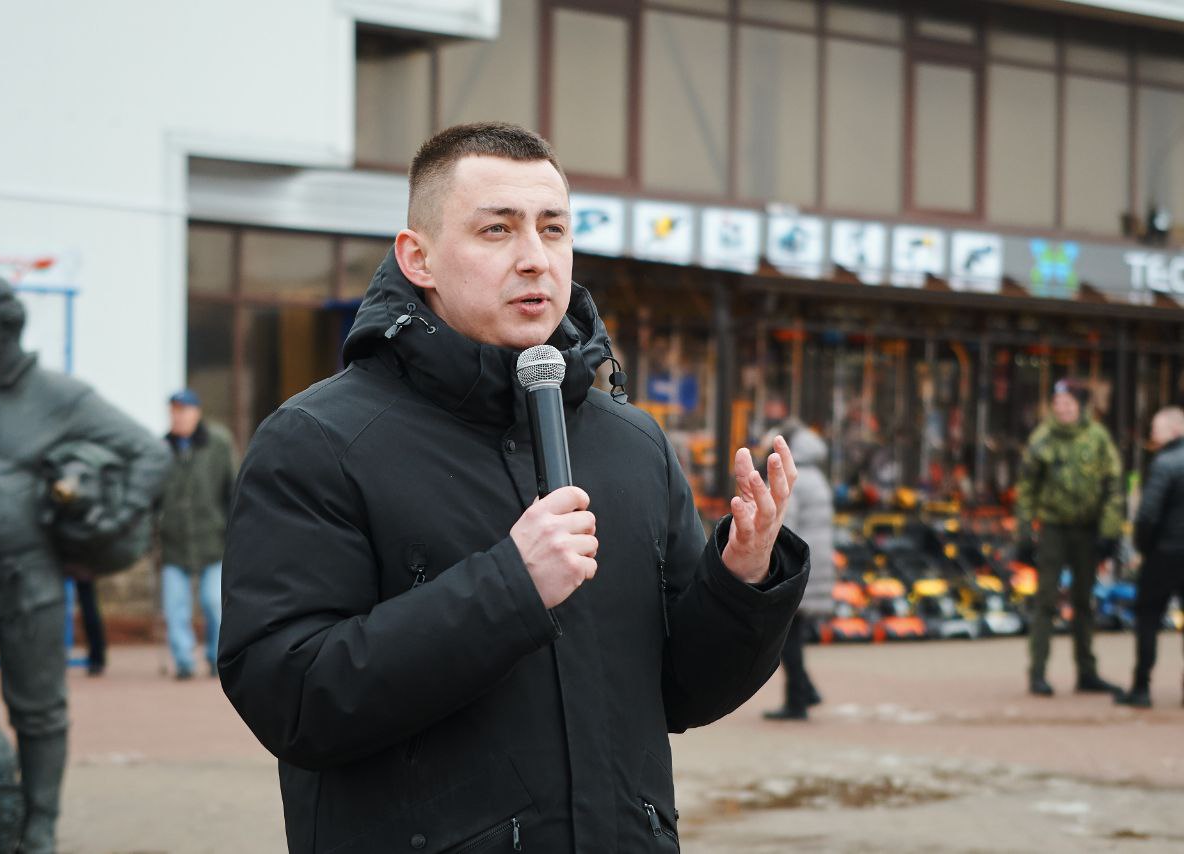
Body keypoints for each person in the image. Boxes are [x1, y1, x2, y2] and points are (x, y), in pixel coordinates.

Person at [219, 122, 810, 852]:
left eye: (553, 229)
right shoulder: (318, 442)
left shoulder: (633, 443)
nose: (535, 258)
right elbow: (290, 698)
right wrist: (509, 588)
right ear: (418, 257)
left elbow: (685, 692)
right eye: (496, 229)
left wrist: (742, 580)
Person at [0, 276, 170, 853]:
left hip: (28, 582)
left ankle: (38, 826)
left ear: (6, 325)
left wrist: (115, 517)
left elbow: (148, 453)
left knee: (38, 710)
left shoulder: (61, 397)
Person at [1015, 379, 1124, 698]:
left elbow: (1113, 486)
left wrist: (1109, 531)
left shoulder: (1098, 437)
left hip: (1087, 530)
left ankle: (1086, 672)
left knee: (1084, 601)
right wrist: (1024, 533)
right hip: (1053, 528)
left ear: (1080, 406)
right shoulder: (1042, 439)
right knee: (1046, 600)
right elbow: (1026, 489)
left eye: (1068, 403)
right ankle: (1038, 673)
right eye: (1058, 403)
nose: (1062, 409)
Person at [158, 389, 235, 680]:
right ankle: (183, 662)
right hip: (174, 543)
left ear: (197, 413)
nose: (178, 417)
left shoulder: (219, 443)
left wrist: (234, 529)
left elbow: (233, 487)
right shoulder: (161, 449)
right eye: (173, 411)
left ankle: (216, 657)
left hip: (213, 539)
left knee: (213, 602)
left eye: (183, 411)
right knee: (174, 607)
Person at [764, 426, 834, 721]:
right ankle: (805, 691)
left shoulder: (793, 478)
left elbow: (783, 522)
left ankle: (798, 700)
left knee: (785, 637)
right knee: (792, 634)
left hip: (797, 567)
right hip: (817, 566)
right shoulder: (817, 477)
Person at [1116, 406, 1184, 708]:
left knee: (1148, 618)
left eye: (1157, 429)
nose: (1152, 435)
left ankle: (1141, 686)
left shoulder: (1164, 463)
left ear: (1175, 430)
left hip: (1164, 553)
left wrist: (1143, 547)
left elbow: (1147, 515)